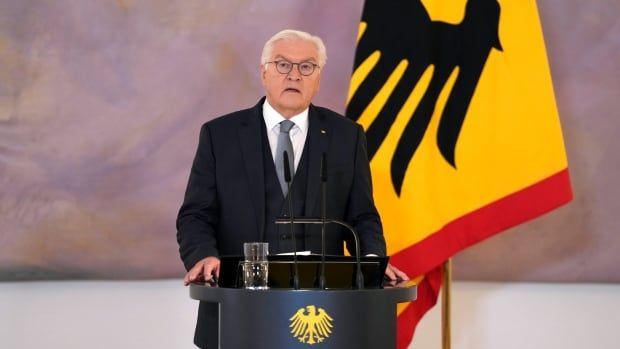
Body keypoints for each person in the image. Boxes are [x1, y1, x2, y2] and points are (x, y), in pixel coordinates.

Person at [176, 29, 408, 348]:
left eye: (306, 66)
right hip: (237, 314)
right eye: (283, 65)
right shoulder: (221, 135)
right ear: (264, 71)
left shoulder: (346, 136)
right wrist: (202, 256)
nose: (294, 75)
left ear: (318, 77)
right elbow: (195, 216)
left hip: (325, 316)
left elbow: (363, 217)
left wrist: (370, 263)